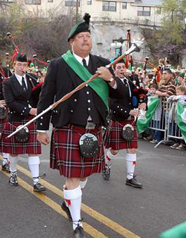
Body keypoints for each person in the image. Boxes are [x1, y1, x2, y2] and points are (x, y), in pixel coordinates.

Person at [36, 13, 124, 237]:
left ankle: (69, 201)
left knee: (84, 175)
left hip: (94, 129)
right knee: (73, 176)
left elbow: (121, 94)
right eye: (81, 37)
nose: (86, 39)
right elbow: (46, 97)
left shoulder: (103, 64)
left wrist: (110, 79)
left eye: (88, 36)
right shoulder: (58, 65)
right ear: (71, 42)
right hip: (68, 127)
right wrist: (41, 128)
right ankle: (77, 222)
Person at [0, 54, 46, 192]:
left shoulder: (32, 80)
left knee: (33, 152)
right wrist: (29, 110)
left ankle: (36, 181)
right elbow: (10, 102)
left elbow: (38, 97)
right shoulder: (8, 82)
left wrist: (43, 84)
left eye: (24, 65)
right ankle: (13, 174)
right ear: (14, 65)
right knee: (14, 152)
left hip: (31, 120)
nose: (22, 67)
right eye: (19, 65)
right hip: (16, 118)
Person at [104, 59, 147, 188]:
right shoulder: (112, 84)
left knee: (132, 148)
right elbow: (112, 104)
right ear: (115, 70)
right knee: (115, 150)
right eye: (119, 67)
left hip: (130, 120)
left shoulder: (129, 81)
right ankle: (106, 164)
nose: (122, 69)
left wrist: (144, 101)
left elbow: (140, 92)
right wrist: (129, 111)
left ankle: (129, 177)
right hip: (118, 119)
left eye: (123, 67)